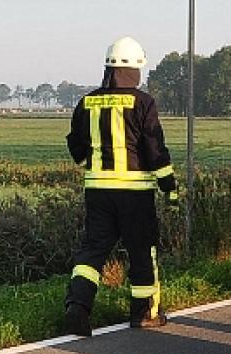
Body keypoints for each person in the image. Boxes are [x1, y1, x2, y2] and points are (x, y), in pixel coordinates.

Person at [63, 36, 177, 337]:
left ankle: (78, 305)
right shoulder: (143, 102)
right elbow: (155, 149)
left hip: (98, 191)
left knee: (93, 250)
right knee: (142, 251)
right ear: (134, 70)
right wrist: (169, 186)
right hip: (135, 193)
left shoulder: (86, 101)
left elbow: (75, 144)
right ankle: (144, 313)